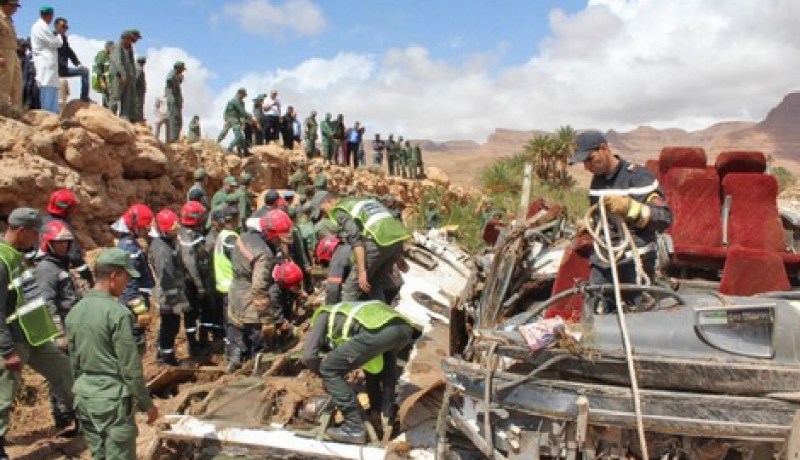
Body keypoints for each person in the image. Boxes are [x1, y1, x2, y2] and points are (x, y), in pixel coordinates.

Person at [66, 248, 159, 459]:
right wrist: (147, 406)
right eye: (126, 278)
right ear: (114, 276)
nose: (127, 284)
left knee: (98, 455)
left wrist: (79, 392)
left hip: (85, 398)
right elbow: (130, 367)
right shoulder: (118, 314)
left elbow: (73, 361)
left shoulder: (75, 311)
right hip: (112, 401)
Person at [569, 130, 673, 311]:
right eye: (584, 162)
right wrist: (590, 224)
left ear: (604, 149)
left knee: (638, 317)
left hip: (635, 262)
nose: (587, 167)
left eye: (590, 159)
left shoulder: (639, 177)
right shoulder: (597, 182)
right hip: (603, 262)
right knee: (596, 313)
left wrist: (630, 208)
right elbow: (600, 217)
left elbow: (664, 218)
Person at [0, 208, 74, 458]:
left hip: (35, 336)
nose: (37, 239)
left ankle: (89, 416)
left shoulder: (16, 254)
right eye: (34, 233)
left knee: (65, 372)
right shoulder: (2, 260)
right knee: (3, 398)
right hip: (13, 340)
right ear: (21, 231)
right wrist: (7, 350)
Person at [302, 300, 418, 444]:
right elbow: (374, 371)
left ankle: (354, 427)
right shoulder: (345, 314)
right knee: (382, 371)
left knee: (329, 369)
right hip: (402, 329)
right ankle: (384, 415)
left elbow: (308, 356)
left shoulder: (321, 316)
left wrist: (327, 377)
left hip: (377, 331)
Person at [312, 192, 411, 302]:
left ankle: (345, 317)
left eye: (323, 210)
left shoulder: (340, 210)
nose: (324, 214)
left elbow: (356, 240)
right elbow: (387, 223)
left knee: (351, 289)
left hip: (377, 242)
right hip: (396, 240)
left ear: (328, 201)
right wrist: (397, 255)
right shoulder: (357, 200)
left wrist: (362, 272)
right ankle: (378, 314)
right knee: (375, 283)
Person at [226, 209, 293, 372]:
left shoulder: (244, 236)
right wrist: (267, 319)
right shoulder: (265, 253)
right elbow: (259, 287)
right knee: (258, 342)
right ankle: (255, 375)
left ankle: (233, 364)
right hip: (250, 299)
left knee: (237, 334)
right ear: (272, 234)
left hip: (235, 292)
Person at [35, 219, 80, 428]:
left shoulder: (60, 265)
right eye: (59, 243)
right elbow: (47, 303)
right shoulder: (46, 268)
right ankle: (64, 416)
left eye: (66, 243)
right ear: (48, 243)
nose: (63, 246)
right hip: (60, 325)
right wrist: (57, 333)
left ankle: (73, 410)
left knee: (71, 370)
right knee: (61, 373)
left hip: (71, 323)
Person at [148, 209, 189, 366]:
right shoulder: (161, 249)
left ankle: (165, 353)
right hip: (168, 295)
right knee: (170, 326)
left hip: (171, 293)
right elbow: (165, 277)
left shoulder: (166, 243)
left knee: (170, 325)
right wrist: (174, 300)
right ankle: (166, 358)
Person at [178, 201, 220, 354]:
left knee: (201, 311)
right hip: (192, 283)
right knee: (193, 312)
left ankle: (202, 338)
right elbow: (190, 263)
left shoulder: (185, 233)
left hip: (193, 282)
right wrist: (200, 286)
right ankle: (193, 343)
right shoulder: (188, 238)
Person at [114, 204, 156, 353]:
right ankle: (132, 374)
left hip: (133, 300)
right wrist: (140, 309)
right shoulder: (128, 247)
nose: (145, 231)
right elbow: (129, 282)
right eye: (143, 227)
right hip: (132, 303)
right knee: (135, 340)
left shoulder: (130, 243)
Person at [42, 188, 93, 286]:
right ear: (68, 209)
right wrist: (89, 279)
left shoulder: (41, 222)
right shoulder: (63, 228)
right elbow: (75, 257)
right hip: (57, 274)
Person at [30, 5, 62, 113]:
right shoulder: (41, 27)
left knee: (51, 87)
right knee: (46, 88)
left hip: (49, 63)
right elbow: (55, 43)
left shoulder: (42, 26)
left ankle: (52, 114)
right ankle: (47, 114)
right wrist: (59, 36)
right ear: (51, 16)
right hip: (45, 62)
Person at [53, 17, 89, 104]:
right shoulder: (51, 37)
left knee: (85, 71)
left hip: (63, 69)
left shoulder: (64, 39)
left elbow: (69, 52)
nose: (65, 29)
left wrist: (78, 63)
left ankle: (84, 97)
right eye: (63, 26)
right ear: (56, 26)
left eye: (66, 27)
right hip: (54, 70)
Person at [217, 87, 254, 156]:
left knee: (240, 137)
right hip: (231, 119)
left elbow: (241, 114)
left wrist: (243, 122)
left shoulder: (241, 102)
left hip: (236, 120)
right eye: (243, 95)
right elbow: (241, 112)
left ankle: (245, 151)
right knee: (235, 135)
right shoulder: (234, 101)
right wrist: (250, 116)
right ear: (240, 93)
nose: (244, 97)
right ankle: (228, 148)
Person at [0, 0, 22, 109]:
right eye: (12, 5)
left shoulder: (9, 20)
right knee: (4, 82)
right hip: (4, 53)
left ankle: (15, 110)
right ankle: (2, 109)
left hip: (13, 53)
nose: (15, 9)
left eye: (16, 6)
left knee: (16, 84)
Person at [108, 31, 136, 120]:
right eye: (129, 39)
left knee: (126, 99)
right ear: (124, 39)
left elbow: (131, 64)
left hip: (128, 77)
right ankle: (111, 117)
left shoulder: (129, 49)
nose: (131, 42)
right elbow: (118, 62)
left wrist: (132, 76)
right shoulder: (117, 47)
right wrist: (123, 74)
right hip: (118, 76)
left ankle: (124, 118)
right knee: (115, 97)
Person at [165, 61, 185, 142]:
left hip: (176, 101)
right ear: (178, 68)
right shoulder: (172, 73)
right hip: (173, 100)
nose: (183, 71)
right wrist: (176, 81)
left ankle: (175, 138)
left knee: (178, 120)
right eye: (182, 69)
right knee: (173, 119)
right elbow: (169, 79)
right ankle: (172, 138)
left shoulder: (176, 75)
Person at [92, 40, 113, 107]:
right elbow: (99, 68)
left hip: (106, 80)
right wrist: (102, 82)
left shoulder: (107, 56)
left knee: (107, 97)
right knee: (106, 98)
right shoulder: (102, 55)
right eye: (112, 48)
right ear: (108, 47)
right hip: (102, 79)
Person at [132, 55, 146, 122]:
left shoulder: (135, 68)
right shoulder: (139, 69)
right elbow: (136, 80)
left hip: (137, 91)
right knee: (138, 105)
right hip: (138, 92)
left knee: (139, 105)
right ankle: (137, 119)